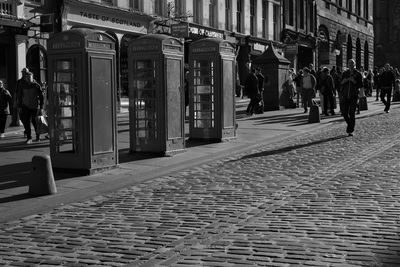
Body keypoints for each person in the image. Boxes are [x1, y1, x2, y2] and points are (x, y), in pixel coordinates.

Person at [16, 72, 44, 144]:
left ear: (32, 77)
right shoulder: (22, 85)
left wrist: (41, 107)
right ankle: (29, 138)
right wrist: (19, 106)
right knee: (26, 122)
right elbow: (19, 96)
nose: (28, 78)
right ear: (25, 78)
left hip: (34, 106)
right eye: (27, 77)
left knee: (35, 122)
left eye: (30, 77)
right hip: (25, 106)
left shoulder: (36, 85)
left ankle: (38, 136)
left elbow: (41, 97)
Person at [339, 59, 363, 136]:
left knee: (351, 113)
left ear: (354, 64)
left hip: (354, 95)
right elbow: (341, 83)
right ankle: (350, 124)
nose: (350, 65)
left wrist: (354, 81)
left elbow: (361, 85)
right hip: (345, 95)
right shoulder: (345, 73)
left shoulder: (358, 74)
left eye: (352, 63)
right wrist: (345, 80)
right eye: (349, 63)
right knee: (344, 112)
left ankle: (350, 130)